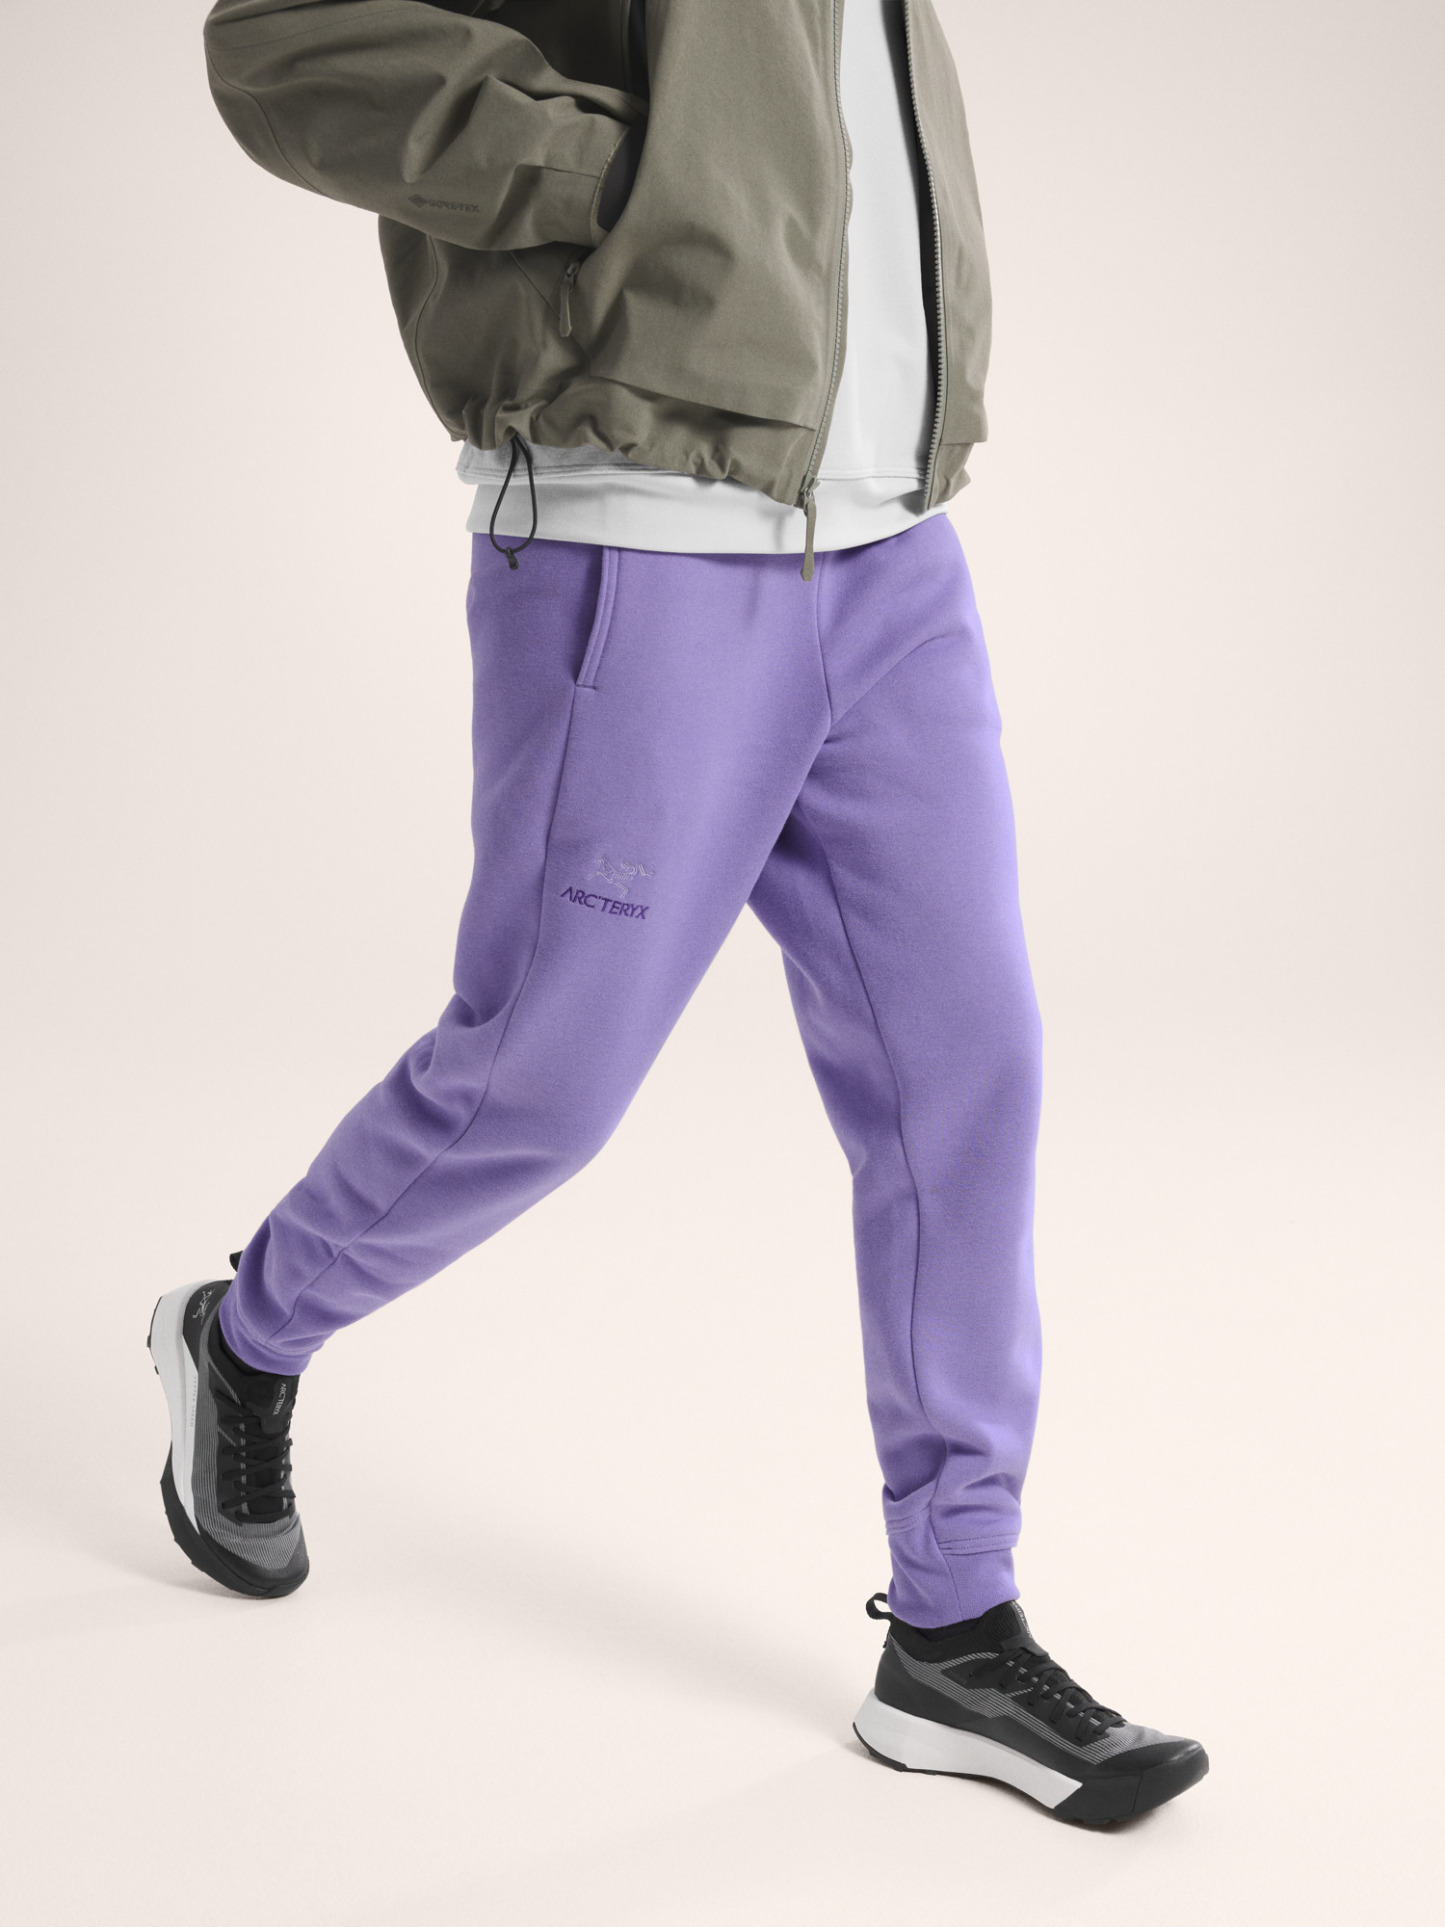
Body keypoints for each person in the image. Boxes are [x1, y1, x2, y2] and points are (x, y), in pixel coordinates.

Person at [149, 0, 1206, 1825]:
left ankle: (954, 1629)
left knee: (967, 1077)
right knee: (538, 1086)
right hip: (639, 535)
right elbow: (281, 43)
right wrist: (622, 177)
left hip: (892, 548)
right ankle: (243, 1335)